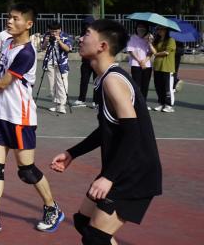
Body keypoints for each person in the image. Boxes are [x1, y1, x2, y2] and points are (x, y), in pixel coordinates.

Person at [50, 19, 163, 245]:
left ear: (102, 46)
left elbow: (133, 133)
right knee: (84, 222)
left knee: (96, 237)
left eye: (86, 34)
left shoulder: (113, 80)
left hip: (135, 173)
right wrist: (72, 153)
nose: (80, 39)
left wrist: (109, 177)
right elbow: (107, 129)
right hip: (123, 168)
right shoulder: (104, 78)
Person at [0, 3, 63, 234]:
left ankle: (52, 207)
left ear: (28, 24)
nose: (9, 21)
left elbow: (4, 83)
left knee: (27, 170)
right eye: (9, 17)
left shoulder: (26, 53)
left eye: (16, 19)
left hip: (20, 117)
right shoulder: (7, 43)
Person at [42, 23, 73, 114]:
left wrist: (59, 41)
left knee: (61, 84)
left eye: (55, 31)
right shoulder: (47, 35)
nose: (53, 33)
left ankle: (62, 105)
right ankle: (56, 104)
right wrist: (45, 42)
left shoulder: (65, 36)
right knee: (52, 85)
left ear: (60, 29)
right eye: (51, 31)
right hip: (49, 62)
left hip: (61, 64)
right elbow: (42, 47)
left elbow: (68, 49)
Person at [149, 26, 176, 112]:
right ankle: (161, 103)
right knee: (158, 86)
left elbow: (166, 52)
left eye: (162, 29)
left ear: (166, 30)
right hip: (157, 67)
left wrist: (156, 54)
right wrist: (150, 43)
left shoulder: (171, 40)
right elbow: (153, 51)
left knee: (167, 87)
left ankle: (169, 105)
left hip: (167, 67)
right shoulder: (157, 40)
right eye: (158, 29)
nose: (160, 31)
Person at [125, 22, 153, 97]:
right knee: (136, 85)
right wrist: (140, 61)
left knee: (145, 86)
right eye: (139, 27)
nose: (141, 29)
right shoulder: (132, 38)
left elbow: (151, 52)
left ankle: (143, 102)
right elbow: (131, 51)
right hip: (136, 64)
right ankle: (137, 101)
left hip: (147, 65)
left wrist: (145, 61)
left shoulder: (149, 38)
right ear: (136, 28)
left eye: (143, 27)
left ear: (146, 28)